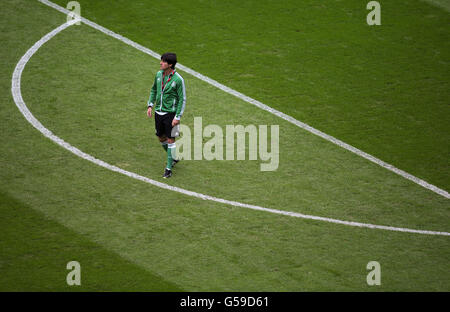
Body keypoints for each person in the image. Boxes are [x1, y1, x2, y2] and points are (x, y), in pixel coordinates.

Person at [147, 52, 186, 178]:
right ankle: (173, 157)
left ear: (170, 65)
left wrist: (177, 117)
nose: (160, 63)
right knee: (161, 138)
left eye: (163, 61)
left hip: (171, 114)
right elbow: (154, 89)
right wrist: (150, 105)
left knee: (170, 140)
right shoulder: (158, 75)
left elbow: (182, 99)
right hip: (159, 112)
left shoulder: (178, 80)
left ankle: (168, 168)